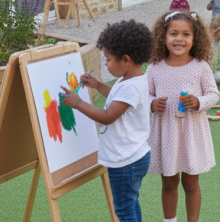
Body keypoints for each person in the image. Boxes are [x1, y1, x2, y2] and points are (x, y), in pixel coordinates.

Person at [59, 20, 153, 222]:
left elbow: (108, 116)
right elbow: (117, 98)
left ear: (126, 60)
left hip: (125, 161)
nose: (106, 64)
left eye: (108, 60)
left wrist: (78, 104)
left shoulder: (131, 86)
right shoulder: (131, 80)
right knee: (130, 204)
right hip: (134, 157)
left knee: (124, 210)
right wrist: (98, 85)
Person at [147, 11, 220, 222]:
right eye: (173, 34)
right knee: (168, 182)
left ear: (195, 38)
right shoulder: (154, 68)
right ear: (163, 37)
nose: (179, 39)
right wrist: (152, 103)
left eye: (186, 34)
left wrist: (198, 102)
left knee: (190, 183)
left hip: (191, 132)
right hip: (166, 132)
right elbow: (144, 94)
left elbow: (213, 94)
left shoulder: (200, 67)